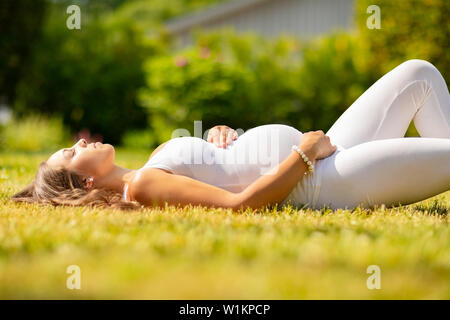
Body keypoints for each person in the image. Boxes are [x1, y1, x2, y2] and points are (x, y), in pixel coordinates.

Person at [11, 59, 450, 211]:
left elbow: (221, 166)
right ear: (85, 183)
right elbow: (239, 206)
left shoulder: (154, 157)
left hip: (326, 149)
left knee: (419, 75)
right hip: (325, 180)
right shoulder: (140, 185)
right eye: (71, 153)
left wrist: (224, 135)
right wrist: (304, 155)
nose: (81, 142)